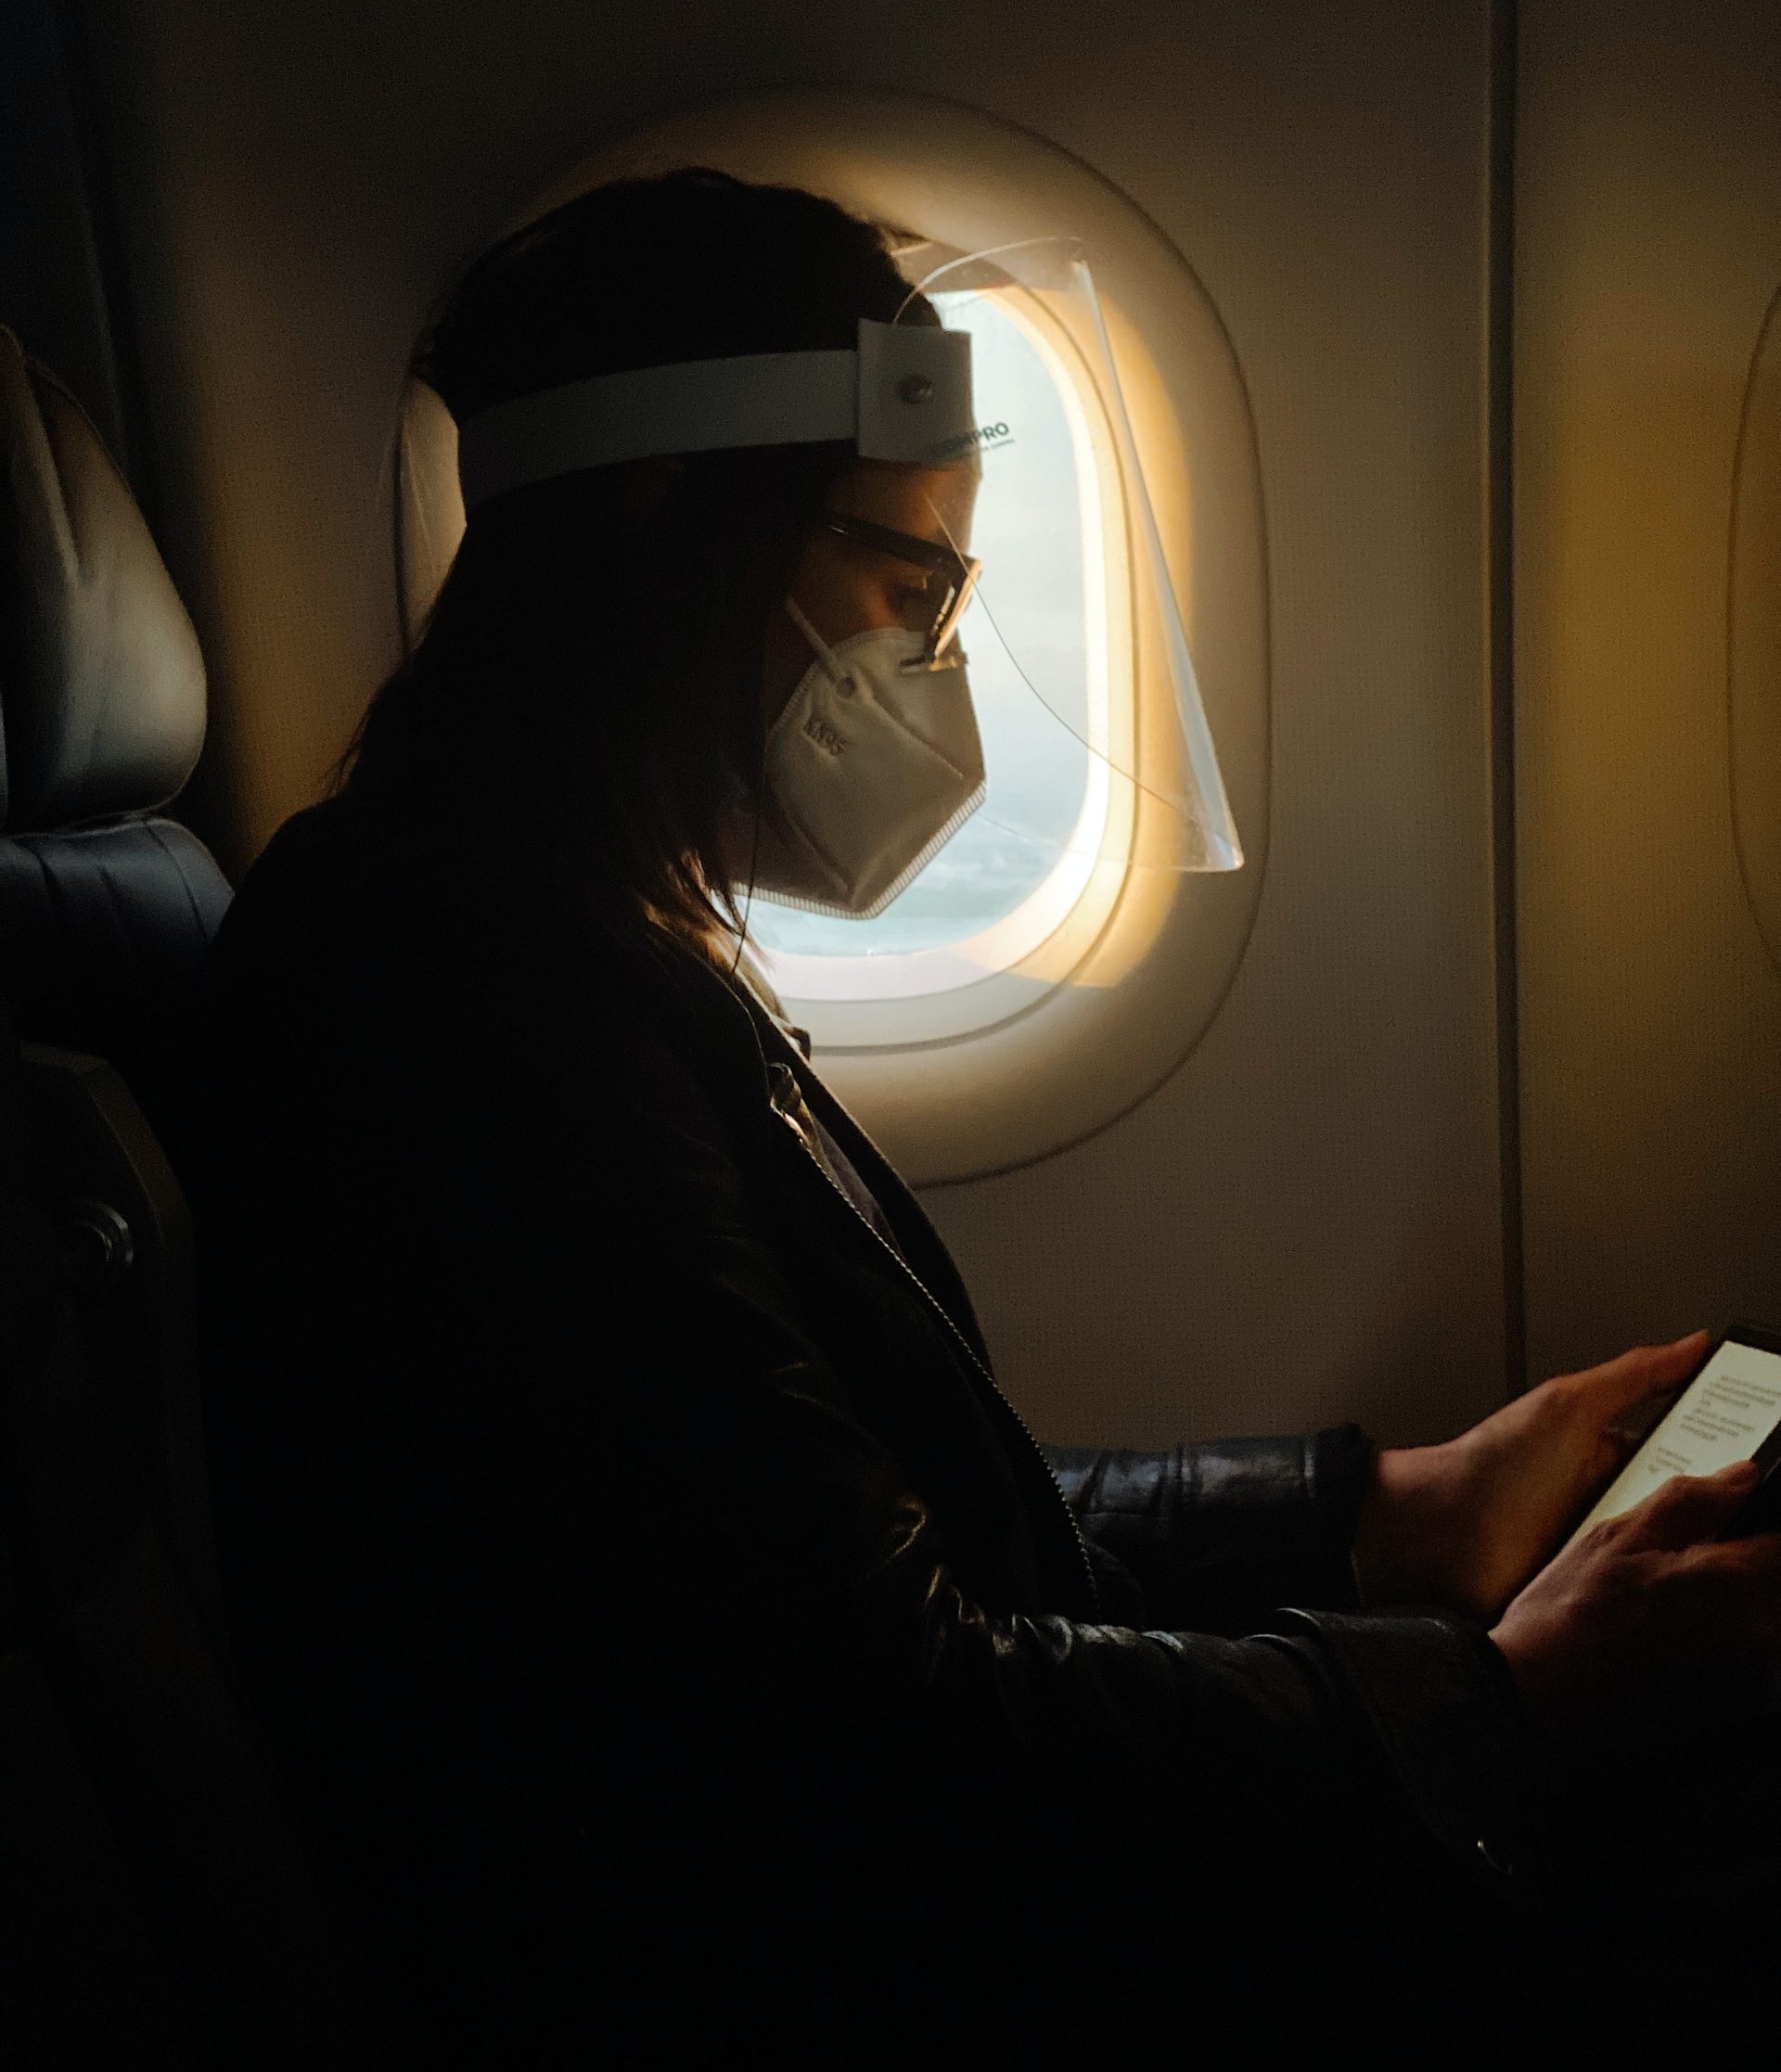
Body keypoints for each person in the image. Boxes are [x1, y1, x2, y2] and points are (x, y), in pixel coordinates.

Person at [190, 168, 1781, 2067]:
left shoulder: (570, 926)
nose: (935, 660)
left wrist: (1381, 1510)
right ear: (662, 508)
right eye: (906, 577)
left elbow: (866, 1554)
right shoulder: (461, 1010)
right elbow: (885, 1733)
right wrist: (1490, 1702)